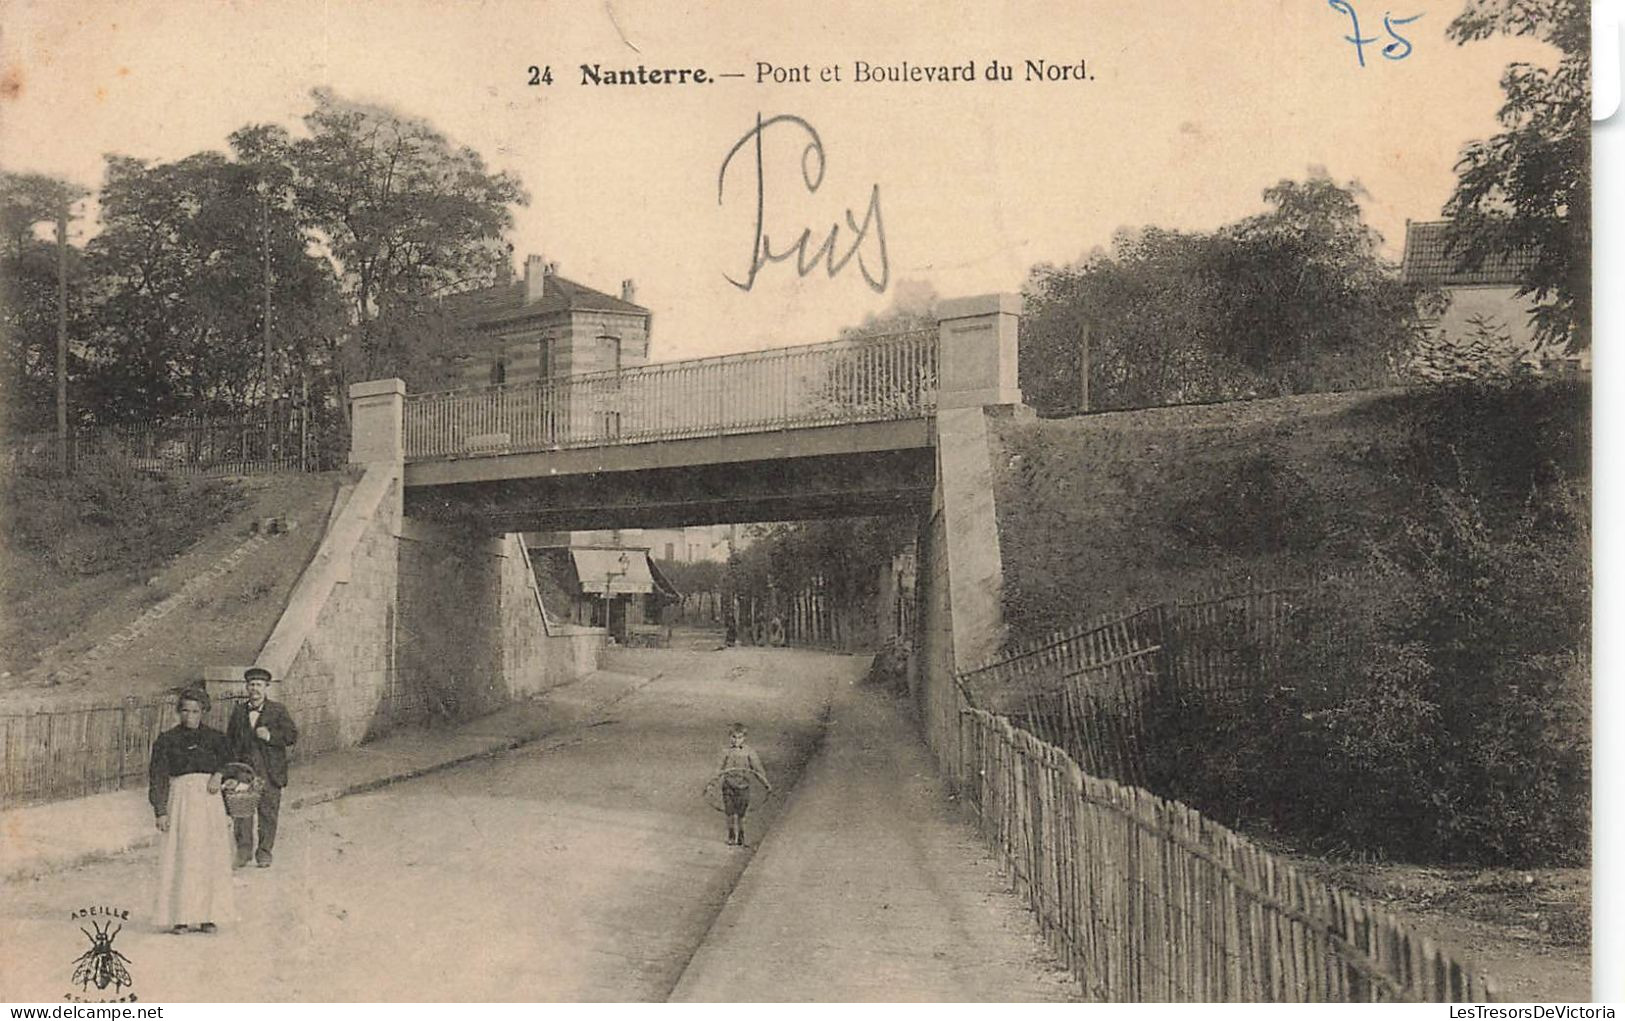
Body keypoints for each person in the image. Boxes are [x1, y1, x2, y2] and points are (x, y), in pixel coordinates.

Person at [148, 686, 235, 934]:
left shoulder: (217, 739)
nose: (190, 716)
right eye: (185, 711)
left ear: (203, 712)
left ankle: (208, 916)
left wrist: (219, 774)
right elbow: (158, 776)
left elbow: (232, 764)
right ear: (178, 712)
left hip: (209, 801)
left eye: (195, 711)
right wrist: (161, 811)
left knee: (209, 856)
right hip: (181, 802)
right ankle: (181, 917)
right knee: (182, 856)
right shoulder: (167, 740)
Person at [226, 666, 299, 868]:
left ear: (266, 687)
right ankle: (243, 851)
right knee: (242, 811)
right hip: (244, 771)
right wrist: (231, 772)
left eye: (258, 685)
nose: (254, 689)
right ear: (246, 687)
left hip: (270, 771)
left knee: (268, 813)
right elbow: (230, 742)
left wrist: (270, 736)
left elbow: (292, 736)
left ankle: (264, 852)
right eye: (251, 685)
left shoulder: (278, 710)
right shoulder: (239, 711)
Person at [715, 722, 771, 846]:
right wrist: (712, 783)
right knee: (729, 812)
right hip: (728, 785)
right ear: (729, 737)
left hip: (743, 786)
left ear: (744, 738)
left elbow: (757, 769)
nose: (736, 740)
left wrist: (765, 783)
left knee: (741, 813)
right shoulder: (725, 751)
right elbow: (718, 769)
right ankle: (731, 834)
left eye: (739, 737)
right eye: (733, 737)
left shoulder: (749, 752)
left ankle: (741, 835)